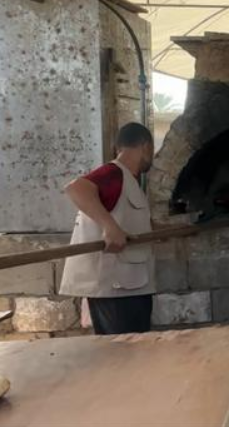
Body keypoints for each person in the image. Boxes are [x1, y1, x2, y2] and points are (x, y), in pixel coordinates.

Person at [59, 123, 156, 335]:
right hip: (114, 288)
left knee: (135, 348)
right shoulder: (114, 173)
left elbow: (126, 219)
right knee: (121, 350)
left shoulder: (129, 181)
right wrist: (110, 228)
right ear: (145, 146)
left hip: (129, 285)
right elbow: (76, 188)